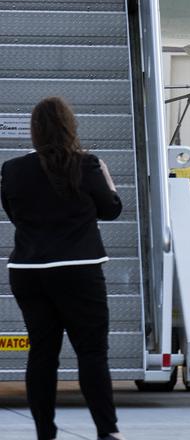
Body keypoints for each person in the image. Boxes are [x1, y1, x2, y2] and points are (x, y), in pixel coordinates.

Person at [1, 97, 125, 440]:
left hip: (28, 270)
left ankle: (45, 431)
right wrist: (108, 181)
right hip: (78, 268)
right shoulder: (86, 165)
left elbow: (15, 215)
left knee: (42, 352)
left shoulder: (12, 169)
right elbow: (111, 209)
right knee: (91, 352)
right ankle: (107, 430)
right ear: (71, 127)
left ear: (34, 130)